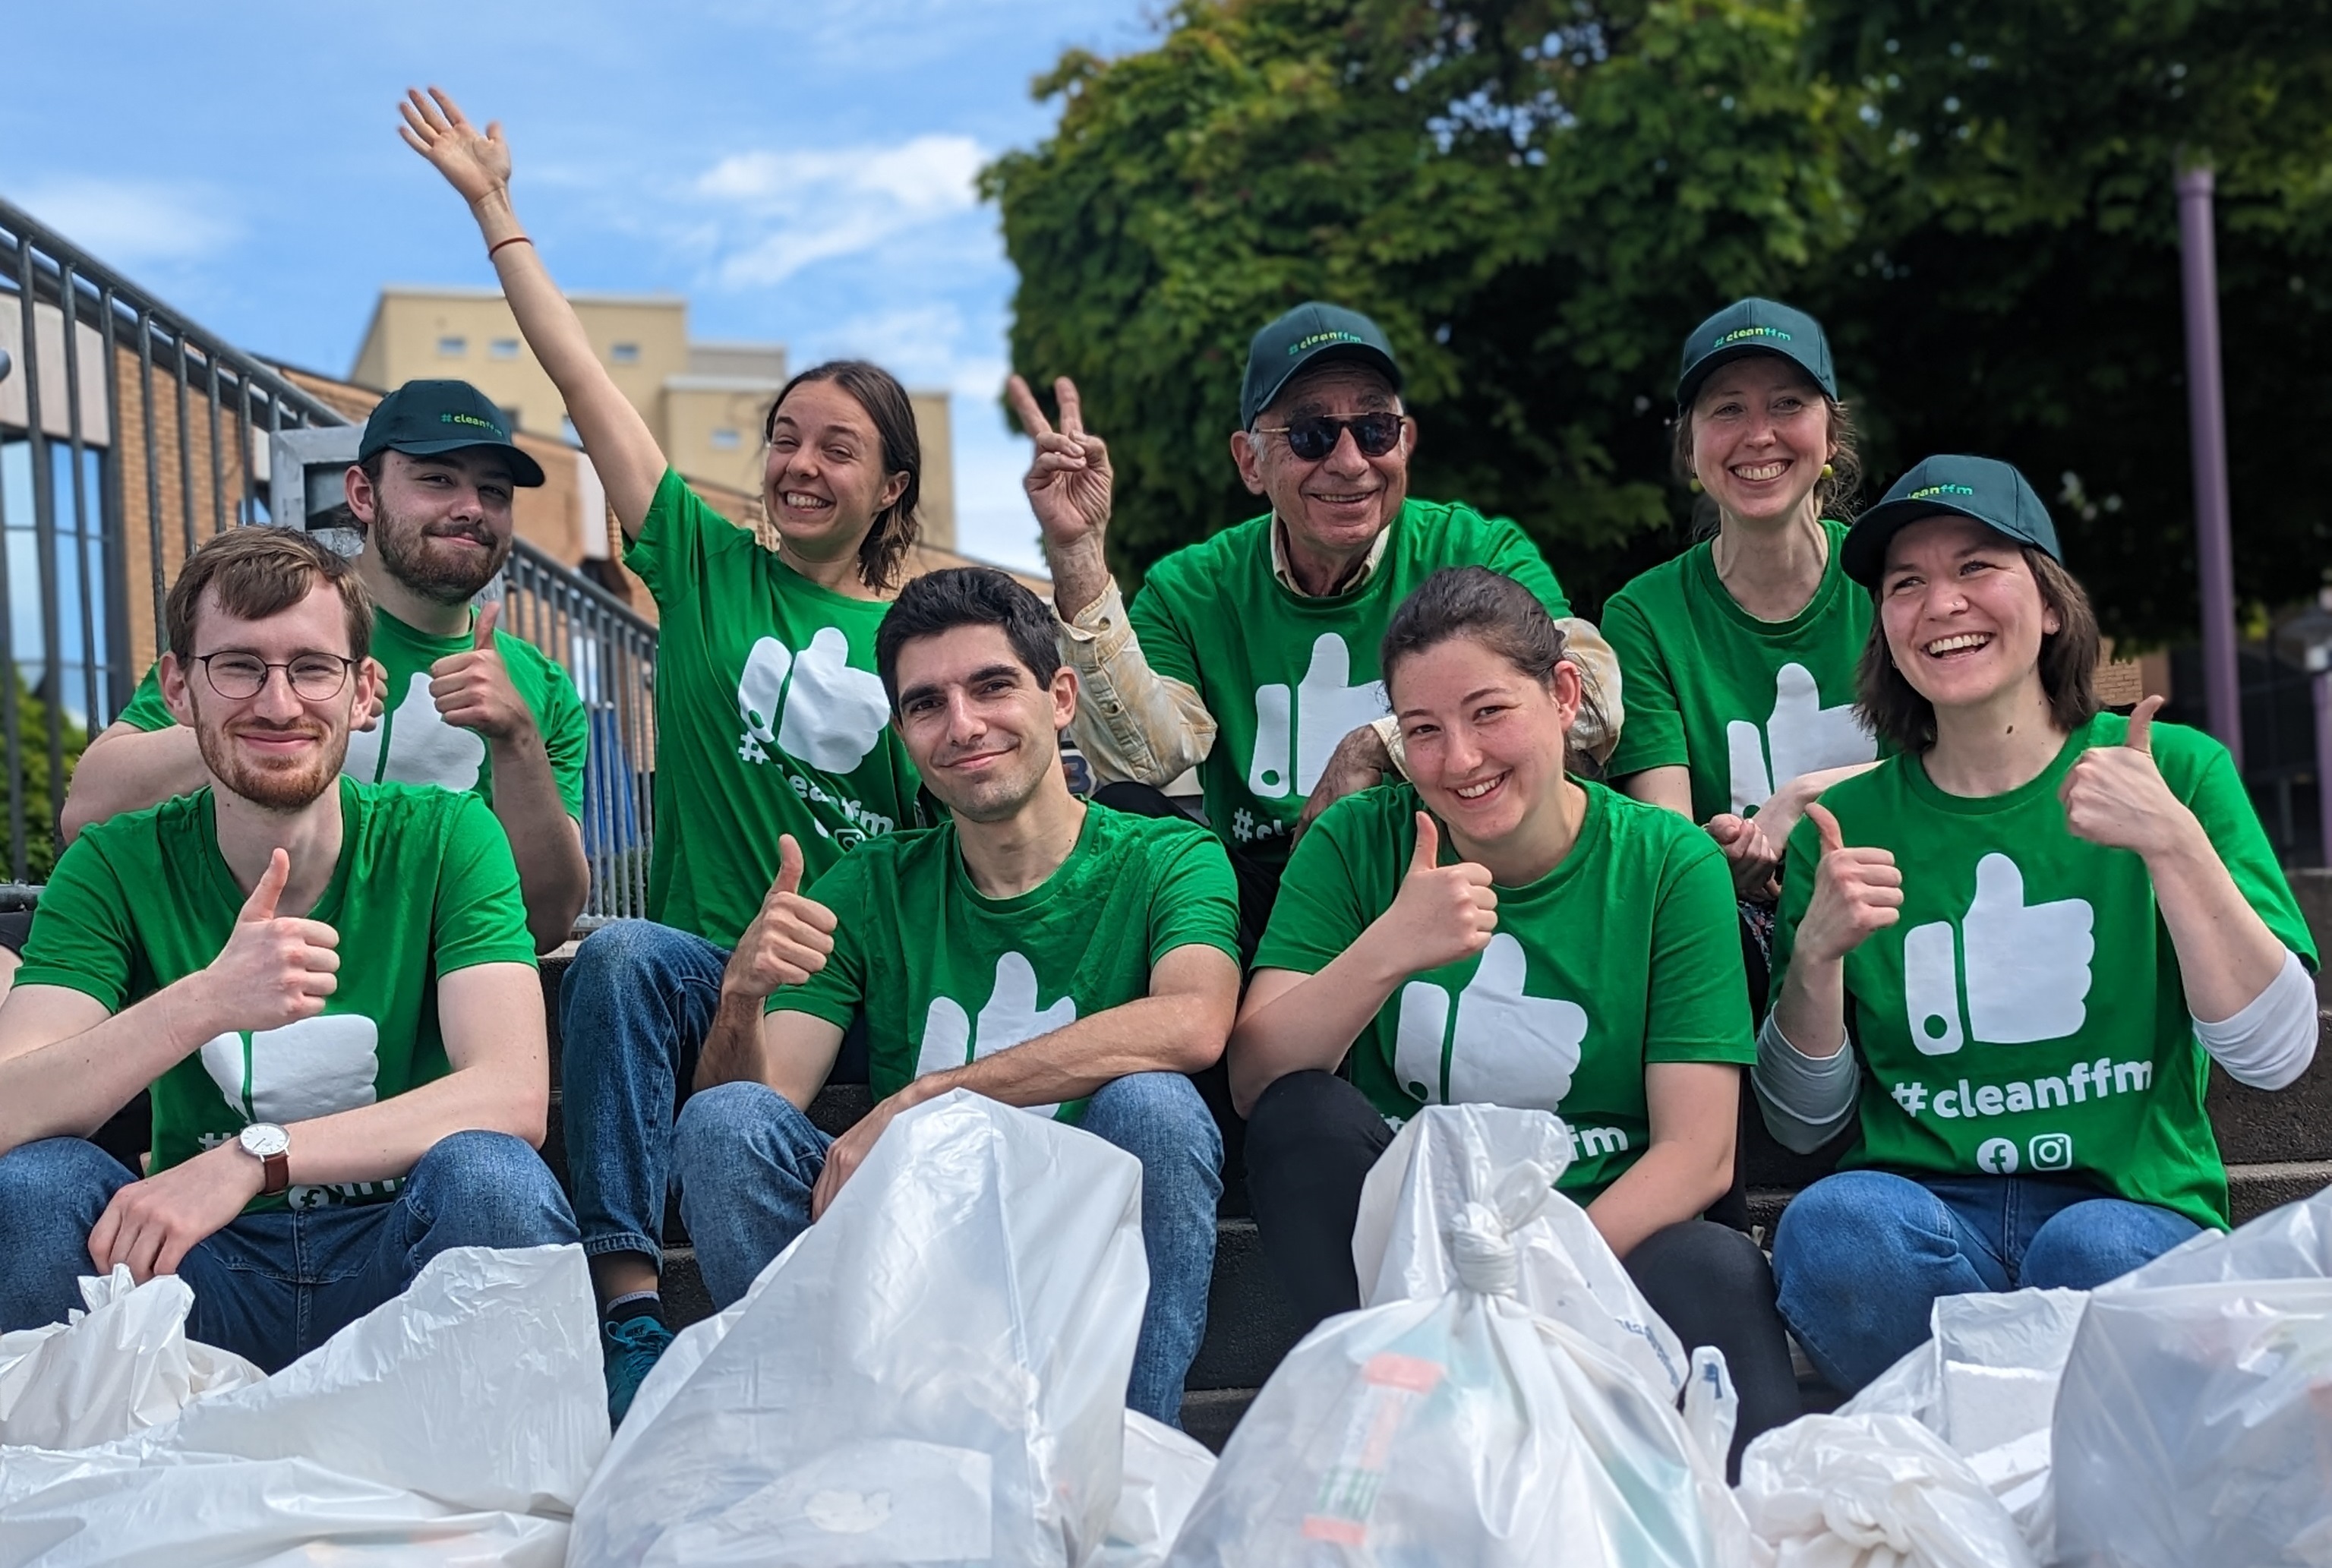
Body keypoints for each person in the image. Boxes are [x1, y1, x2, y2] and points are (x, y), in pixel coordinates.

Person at [401, 87, 929, 1415]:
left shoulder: (932, 635)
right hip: (713, 958)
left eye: (839, 449)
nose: (800, 465)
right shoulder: (700, 559)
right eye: (787, 439)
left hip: (881, 966)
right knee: (621, 953)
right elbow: (582, 381)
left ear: (893, 488)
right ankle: (628, 1305)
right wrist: (494, 210)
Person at [1758, 456, 2318, 1392]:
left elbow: (2276, 1058)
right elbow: (1801, 1123)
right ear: (1884, 627)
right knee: (1829, 1229)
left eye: (1976, 567)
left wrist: (2172, 848)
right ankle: (2032, 1477)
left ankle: (1989, 1475)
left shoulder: (2172, 772)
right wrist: (1813, 958)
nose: (1942, 604)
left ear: (2050, 603)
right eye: (1906, 584)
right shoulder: (1843, 829)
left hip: (2128, 1211)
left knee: (2092, 1248)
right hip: (1920, 1221)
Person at [1229, 566, 1799, 1477]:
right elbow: (1258, 1077)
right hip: (1412, 1243)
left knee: (1713, 1268)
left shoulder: (1666, 862)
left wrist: (1528, 1281)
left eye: (1488, 712)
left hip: (1604, 1240)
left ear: (1562, 694)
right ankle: (1397, 1441)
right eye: (1422, 730)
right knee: (1303, 1115)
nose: (1457, 760)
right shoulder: (1358, 840)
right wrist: (1388, 948)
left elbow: (1699, 1153)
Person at [674, 567, 1242, 1428]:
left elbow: (1194, 1020)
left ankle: (1122, 1470)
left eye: (991, 686)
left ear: (1058, 698)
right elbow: (756, 1104)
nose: (963, 725)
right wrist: (740, 1001)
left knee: (1158, 1109)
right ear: (902, 733)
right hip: (905, 1256)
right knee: (719, 1125)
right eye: (926, 704)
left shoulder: (1168, 857)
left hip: (1079, 1247)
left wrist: (920, 1100)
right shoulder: (867, 885)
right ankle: (822, 1445)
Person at [0, 527, 576, 1370]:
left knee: (490, 1178)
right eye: (238, 666)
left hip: (395, 1260)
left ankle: (486, 1483)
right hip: (193, 1272)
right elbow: (11, 1104)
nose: (278, 705)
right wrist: (206, 999)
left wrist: (255, 1157)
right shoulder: (116, 860)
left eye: (312, 668)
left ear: (365, 691)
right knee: (35, 1189)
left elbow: (512, 1092)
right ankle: (91, 1486)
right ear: (178, 689)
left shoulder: (449, 836)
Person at [1008, 301, 1623, 951]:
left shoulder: (1477, 546)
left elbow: (1589, 699)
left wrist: (1376, 744)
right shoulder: (1192, 586)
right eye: (1310, 433)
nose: (1351, 461)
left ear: (1404, 442)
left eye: (1376, 428)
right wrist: (1076, 553)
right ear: (1249, 462)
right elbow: (1144, 760)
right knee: (1132, 811)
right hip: (1268, 893)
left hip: (1438, 868)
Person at [65, 380, 591, 954]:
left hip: (431, 986)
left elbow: (548, 921)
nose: (470, 508)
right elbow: (87, 814)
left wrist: (517, 740)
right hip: (237, 961)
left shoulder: (541, 689)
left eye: (494, 490)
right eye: (437, 478)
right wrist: (280, 722)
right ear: (363, 494)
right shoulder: (269, 622)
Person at [1605, 299, 1880, 989]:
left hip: (1905, 902)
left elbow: (1959, 769)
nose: (1759, 435)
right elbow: (1666, 843)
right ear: (1689, 445)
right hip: (1739, 941)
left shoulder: (1894, 580)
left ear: (1830, 433)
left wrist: (1797, 800)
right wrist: (1717, 853)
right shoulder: (1642, 615)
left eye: (1786, 403)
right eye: (1727, 409)